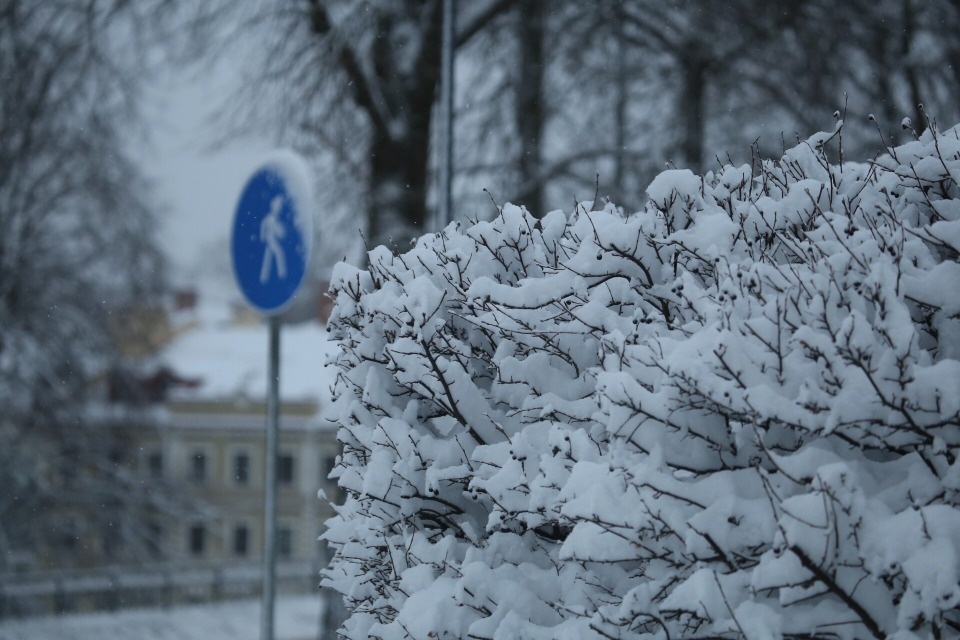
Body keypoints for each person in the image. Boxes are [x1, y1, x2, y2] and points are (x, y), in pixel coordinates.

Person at [259, 195, 287, 284]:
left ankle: (264, 277)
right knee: (279, 253)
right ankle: (282, 274)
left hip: (271, 240)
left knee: (268, 259)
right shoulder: (269, 219)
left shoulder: (275, 220)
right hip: (270, 240)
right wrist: (262, 236)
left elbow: (280, 232)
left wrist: (281, 232)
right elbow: (263, 226)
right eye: (277, 207)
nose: (278, 210)